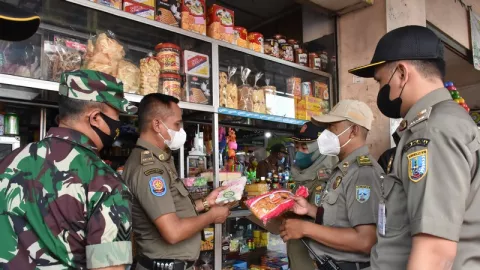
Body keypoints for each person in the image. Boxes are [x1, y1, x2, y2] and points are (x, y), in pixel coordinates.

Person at [349, 25, 480, 270]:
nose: (380, 91)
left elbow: (435, 252)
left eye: (379, 81)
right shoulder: (441, 123)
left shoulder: (433, 131)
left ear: (401, 74)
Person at [0, 70, 136, 269]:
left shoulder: (8, 161)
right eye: (117, 116)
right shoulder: (104, 182)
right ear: (95, 118)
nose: (118, 125)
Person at [122, 93, 230, 270]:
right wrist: (211, 216)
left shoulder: (160, 160)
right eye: (177, 124)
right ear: (157, 124)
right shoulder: (149, 170)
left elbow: (169, 210)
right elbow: (173, 232)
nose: (181, 131)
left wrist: (205, 202)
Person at [279, 100, 383, 270]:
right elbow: (342, 218)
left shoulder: (363, 173)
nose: (325, 134)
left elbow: (366, 240)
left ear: (353, 131)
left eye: (332, 128)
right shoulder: (343, 169)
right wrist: (310, 210)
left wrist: (306, 228)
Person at [287, 121, 338, 270]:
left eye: (305, 147)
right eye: (297, 147)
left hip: (317, 260)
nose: (299, 152)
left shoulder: (332, 177)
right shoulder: (300, 174)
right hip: (297, 256)